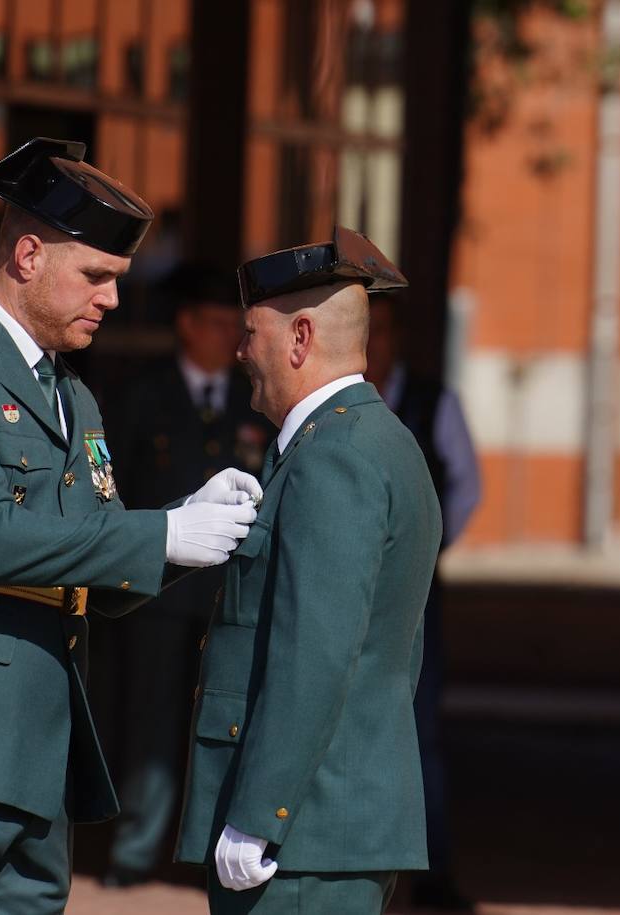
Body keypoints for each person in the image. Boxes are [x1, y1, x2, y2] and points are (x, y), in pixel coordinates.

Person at [0, 137, 261, 915]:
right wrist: (159, 533)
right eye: (96, 276)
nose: (113, 299)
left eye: (118, 280)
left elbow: (94, 569)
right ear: (27, 255)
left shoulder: (74, 396)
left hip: (35, 751)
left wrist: (189, 532)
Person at [175, 227, 443, 914]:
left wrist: (261, 810)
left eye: (251, 333)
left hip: (304, 834)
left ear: (299, 339)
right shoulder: (373, 440)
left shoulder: (335, 456)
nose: (240, 351)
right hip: (328, 822)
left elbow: (314, 651)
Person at [102, 264, 275, 887]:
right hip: (158, 590)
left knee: (226, 720)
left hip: (228, 596)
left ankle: (214, 847)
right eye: (218, 323)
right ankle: (135, 846)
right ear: (186, 325)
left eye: (238, 326)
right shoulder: (140, 396)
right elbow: (110, 494)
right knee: (149, 721)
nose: (230, 337)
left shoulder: (254, 397)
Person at [364, 295, 481, 911]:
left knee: (421, 727)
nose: (373, 344)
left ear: (398, 339)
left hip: (415, 590)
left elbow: (467, 483)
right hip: (353, 584)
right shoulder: (341, 399)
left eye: (381, 332)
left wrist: (431, 547)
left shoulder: (434, 401)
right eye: (366, 332)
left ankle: (431, 872)